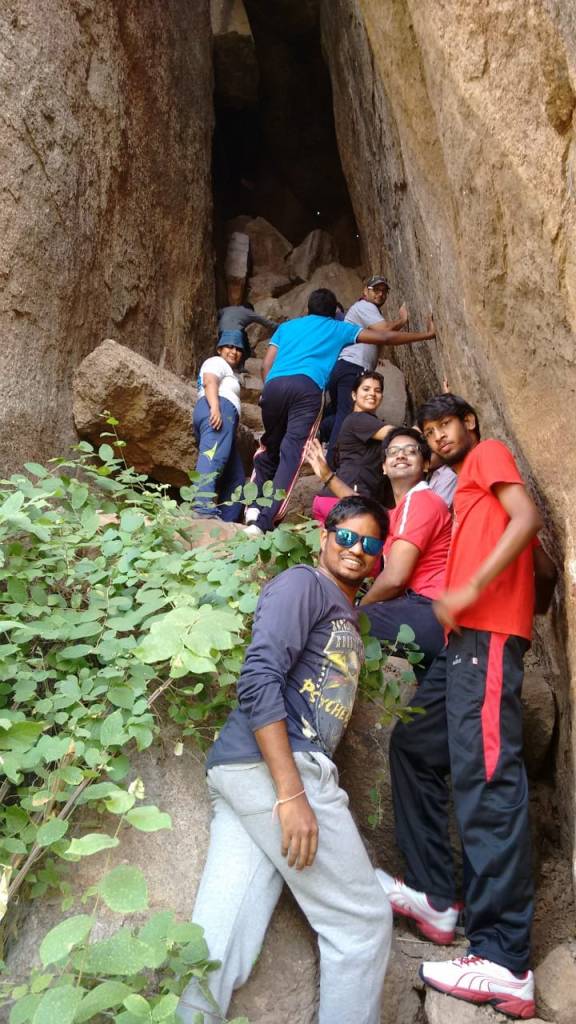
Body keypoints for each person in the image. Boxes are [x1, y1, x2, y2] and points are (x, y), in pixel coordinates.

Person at [177, 497, 394, 1024]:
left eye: (369, 543)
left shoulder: (342, 609)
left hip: (243, 773)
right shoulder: (304, 585)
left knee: (219, 943)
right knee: (361, 923)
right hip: (279, 768)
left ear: (379, 556)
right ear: (324, 536)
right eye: (346, 536)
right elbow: (258, 679)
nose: (356, 549)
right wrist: (292, 793)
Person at [382, 393, 551, 1020]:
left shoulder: (487, 455)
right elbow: (538, 559)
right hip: (462, 645)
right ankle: (435, 896)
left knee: (487, 781)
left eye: (445, 425)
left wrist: (476, 589)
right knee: (414, 747)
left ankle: (505, 959)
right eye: (429, 431)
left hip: (486, 636)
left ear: (470, 423)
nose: (438, 437)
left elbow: (528, 519)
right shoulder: (463, 497)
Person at [245, 287, 435, 535]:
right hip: (307, 389)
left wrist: (268, 390)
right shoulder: (339, 328)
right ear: (335, 311)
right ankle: (265, 522)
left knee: (269, 447)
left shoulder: (287, 327)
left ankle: (251, 508)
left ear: (308, 308)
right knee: (292, 452)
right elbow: (385, 337)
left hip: (274, 386)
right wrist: (426, 335)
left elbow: (266, 364)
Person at [307, 427, 451, 680]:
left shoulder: (422, 500)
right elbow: (367, 512)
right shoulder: (405, 509)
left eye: (411, 451)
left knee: (338, 624)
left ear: (427, 464)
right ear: (383, 467)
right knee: (429, 698)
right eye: (393, 452)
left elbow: (395, 578)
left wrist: (358, 608)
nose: (401, 455)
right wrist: (328, 477)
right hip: (433, 616)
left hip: (429, 608)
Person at [325, 275, 408, 465]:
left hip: (345, 366)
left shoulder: (366, 310)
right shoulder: (364, 306)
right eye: (375, 290)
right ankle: (332, 463)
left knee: (339, 414)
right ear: (365, 291)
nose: (380, 294)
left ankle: (322, 435)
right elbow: (385, 331)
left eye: (384, 291)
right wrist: (402, 320)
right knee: (346, 416)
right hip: (352, 367)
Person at [308, 370, 394, 525]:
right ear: (354, 395)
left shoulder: (364, 424)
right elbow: (399, 435)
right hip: (345, 499)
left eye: (377, 390)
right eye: (366, 389)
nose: (372, 394)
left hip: (331, 498)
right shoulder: (357, 419)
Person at [192, 335, 246, 521]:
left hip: (221, 413)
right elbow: (209, 380)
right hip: (218, 409)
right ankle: (202, 508)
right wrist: (215, 407)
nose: (234, 351)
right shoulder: (216, 361)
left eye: (238, 349)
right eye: (229, 347)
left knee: (235, 476)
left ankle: (227, 522)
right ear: (219, 349)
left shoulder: (228, 370)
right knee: (212, 456)